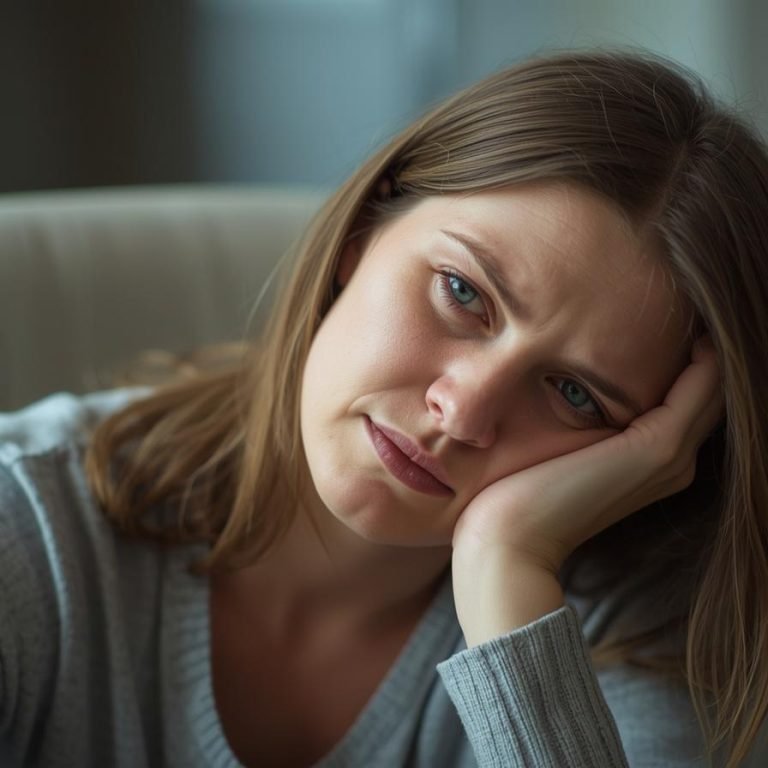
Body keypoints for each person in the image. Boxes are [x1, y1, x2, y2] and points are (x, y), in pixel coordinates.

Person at [1, 49, 767, 768]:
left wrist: (506, 576)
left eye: (575, 395)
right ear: (364, 231)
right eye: (462, 291)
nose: (462, 413)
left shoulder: (633, 634)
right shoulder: (27, 529)